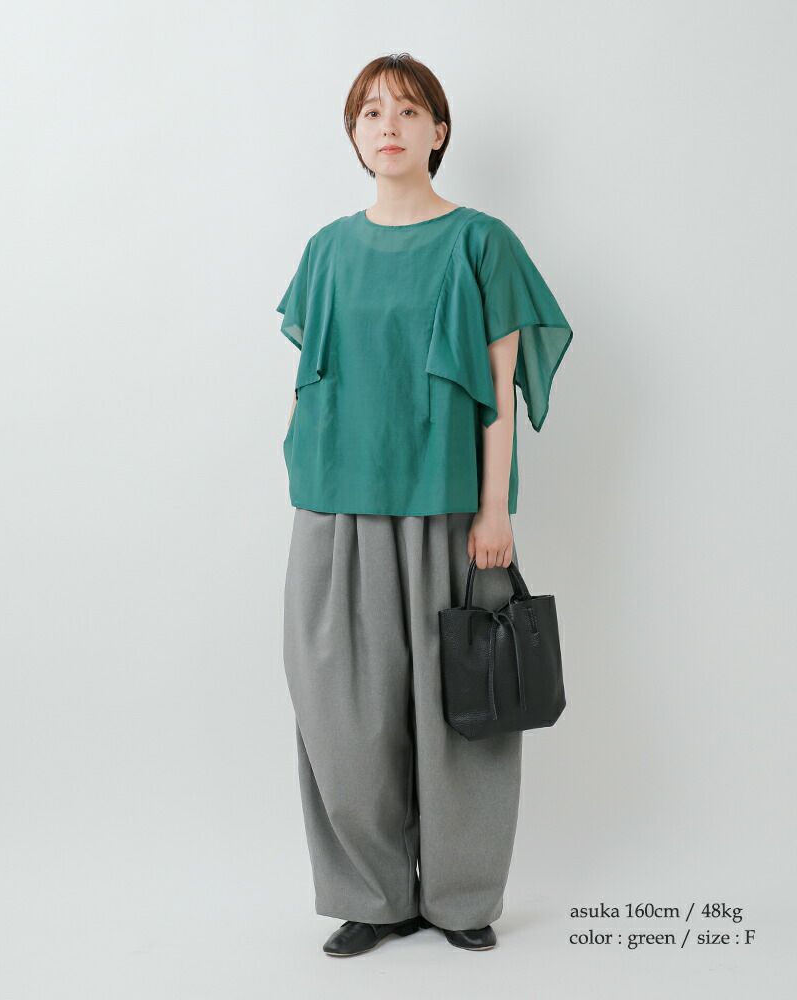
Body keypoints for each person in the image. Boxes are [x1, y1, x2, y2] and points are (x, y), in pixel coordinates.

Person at [276, 53, 573, 956]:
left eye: (408, 110)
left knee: (460, 715)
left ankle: (460, 898)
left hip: (448, 510)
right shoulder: (326, 250)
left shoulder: (481, 242)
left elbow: (499, 386)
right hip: (336, 510)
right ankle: (372, 897)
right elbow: (315, 384)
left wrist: (495, 508)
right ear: (354, 134)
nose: (389, 126)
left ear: (439, 131)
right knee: (342, 713)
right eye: (371, 112)